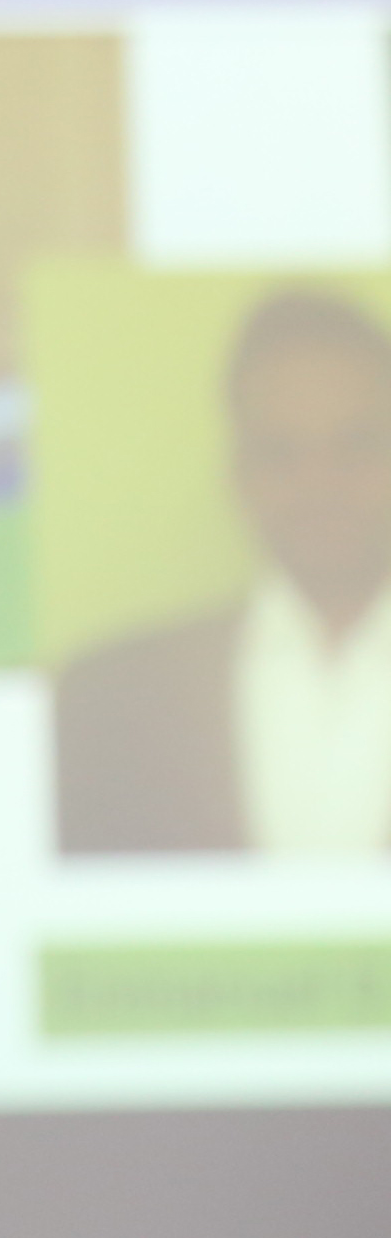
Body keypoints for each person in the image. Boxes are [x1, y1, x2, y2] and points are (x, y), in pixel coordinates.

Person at [58, 288, 391, 856]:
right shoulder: (107, 700)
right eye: (280, 451)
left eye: (355, 445)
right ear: (238, 472)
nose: (320, 484)